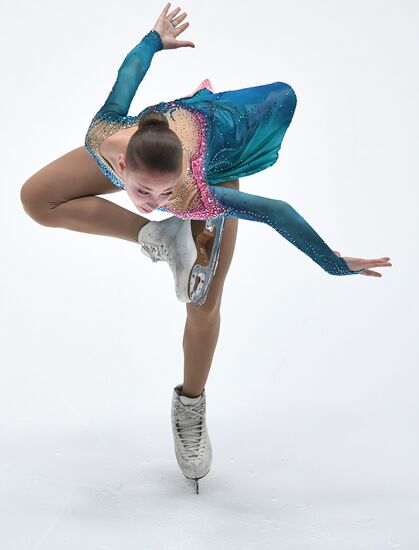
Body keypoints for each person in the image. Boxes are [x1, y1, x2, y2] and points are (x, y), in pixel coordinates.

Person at [19, 3, 392, 493]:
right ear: (122, 165)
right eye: (143, 193)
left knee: (203, 298)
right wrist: (154, 37)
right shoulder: (104, 134)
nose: (157, 202)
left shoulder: (197, 188)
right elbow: (129, 71)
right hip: (164, 137)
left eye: (165, 195)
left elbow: (277, 210)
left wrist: (333, 263)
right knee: (36, 197)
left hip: (218, 150)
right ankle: (157, 239)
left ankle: (190, 405)